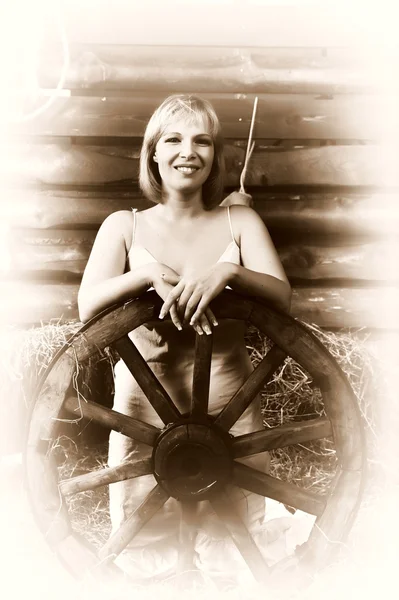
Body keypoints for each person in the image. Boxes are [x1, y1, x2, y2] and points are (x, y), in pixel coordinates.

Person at [78, 94, 292, 582]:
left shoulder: (240, 223)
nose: (187, 151)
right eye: (173, 139)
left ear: (214, 155)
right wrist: (146, 272)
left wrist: (229, 269)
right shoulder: (125, 227)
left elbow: (283, 296)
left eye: (202, 141)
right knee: (147, 547)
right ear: (153, 152)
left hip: (228, 400)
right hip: (144, 408)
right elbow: (88, 306)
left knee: (232, 549)